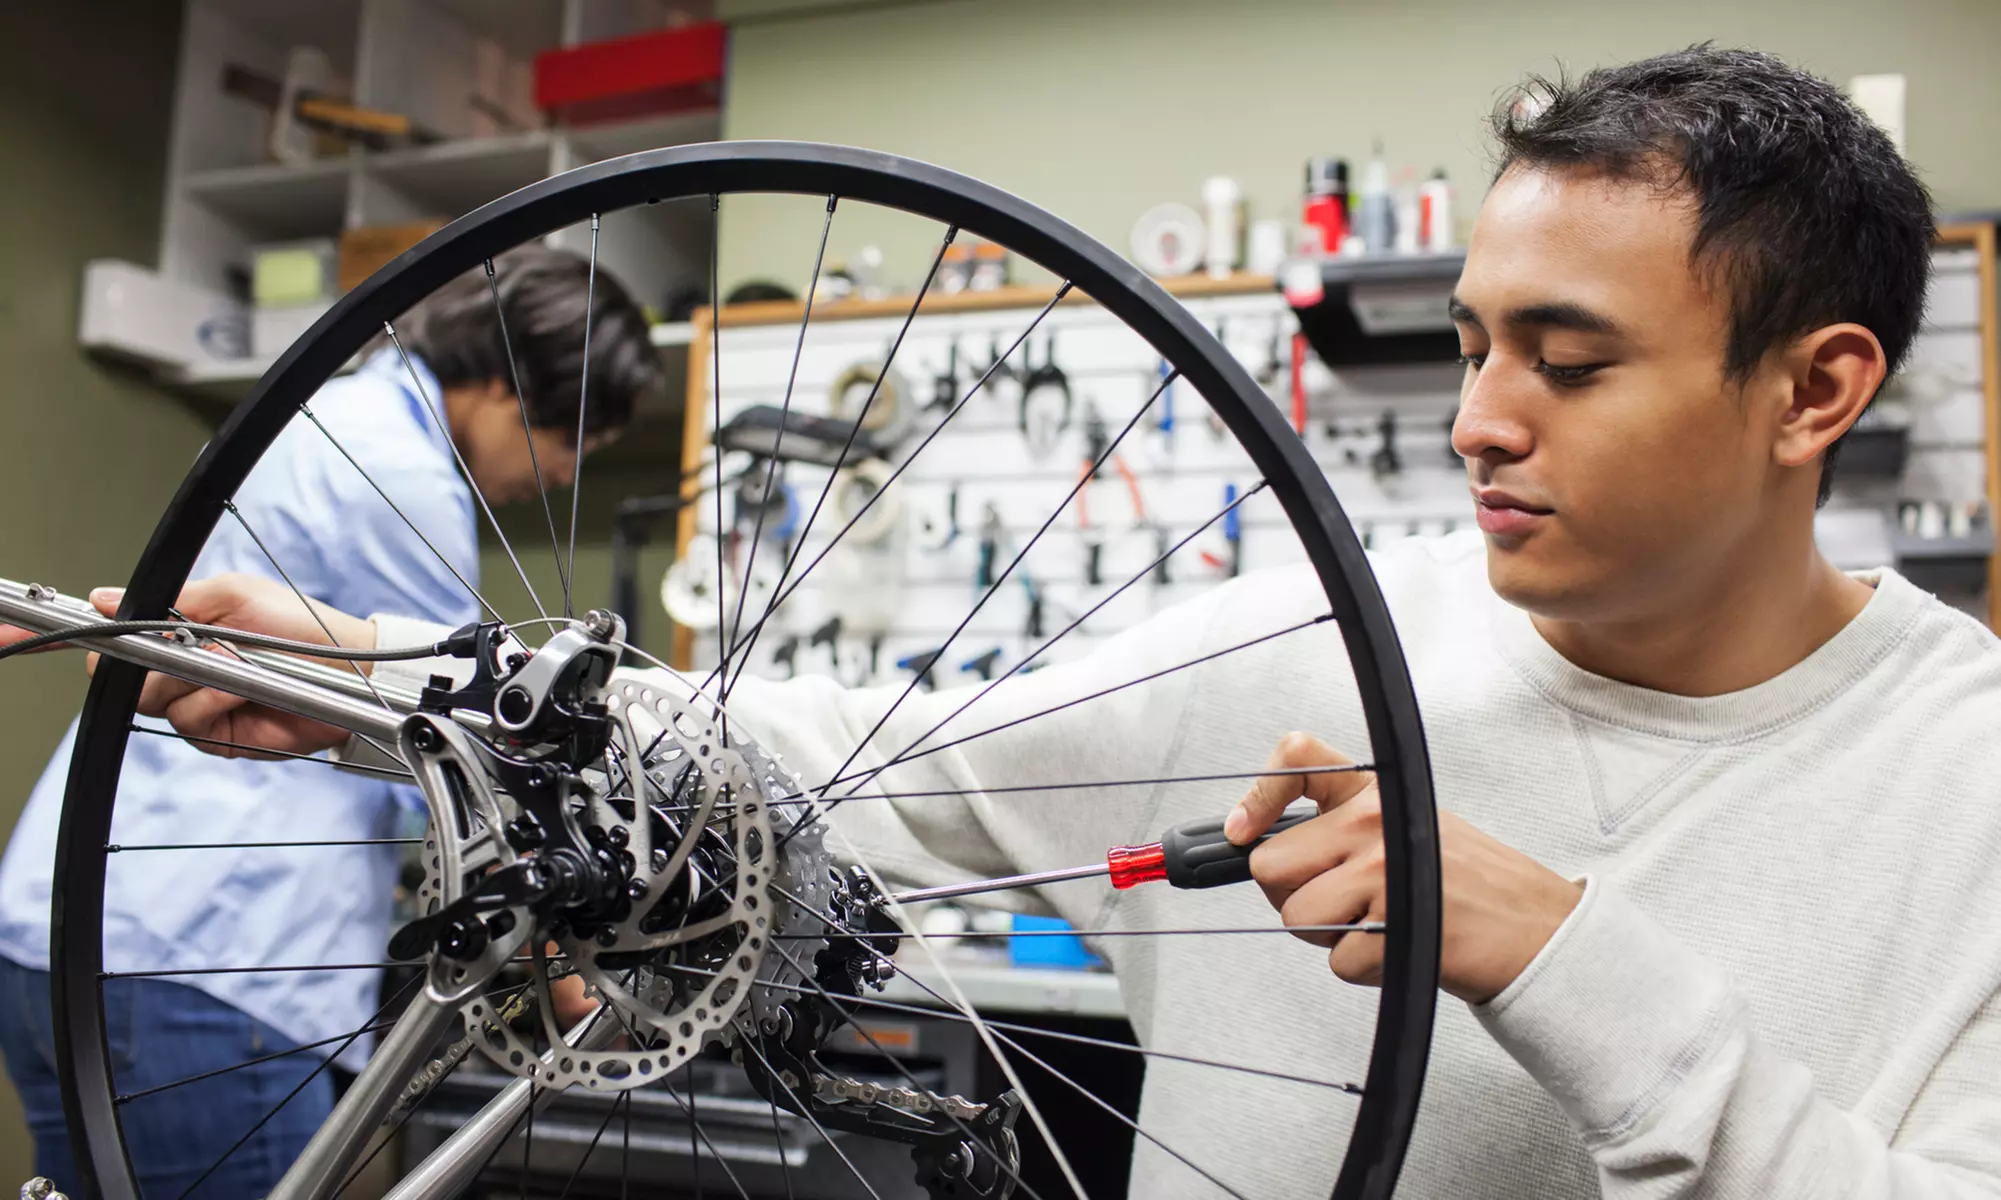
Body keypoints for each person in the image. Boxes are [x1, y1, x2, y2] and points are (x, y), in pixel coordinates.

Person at [22, 47, 2001, 1198]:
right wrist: (373, 679)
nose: (1479, 416)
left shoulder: (1967, 783)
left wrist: (1566, 959)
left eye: (1566, 360)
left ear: (1812, 391)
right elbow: (817, 750)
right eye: (1476, 344)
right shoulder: (1298, 652)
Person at [0, 245, 662, 1197]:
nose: (560, 476)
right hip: (206, 960)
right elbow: (473, 743)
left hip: (71, 922)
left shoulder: (329, 417)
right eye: (575, 444)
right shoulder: (400, 475)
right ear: (510, 390)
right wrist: (579, 985)